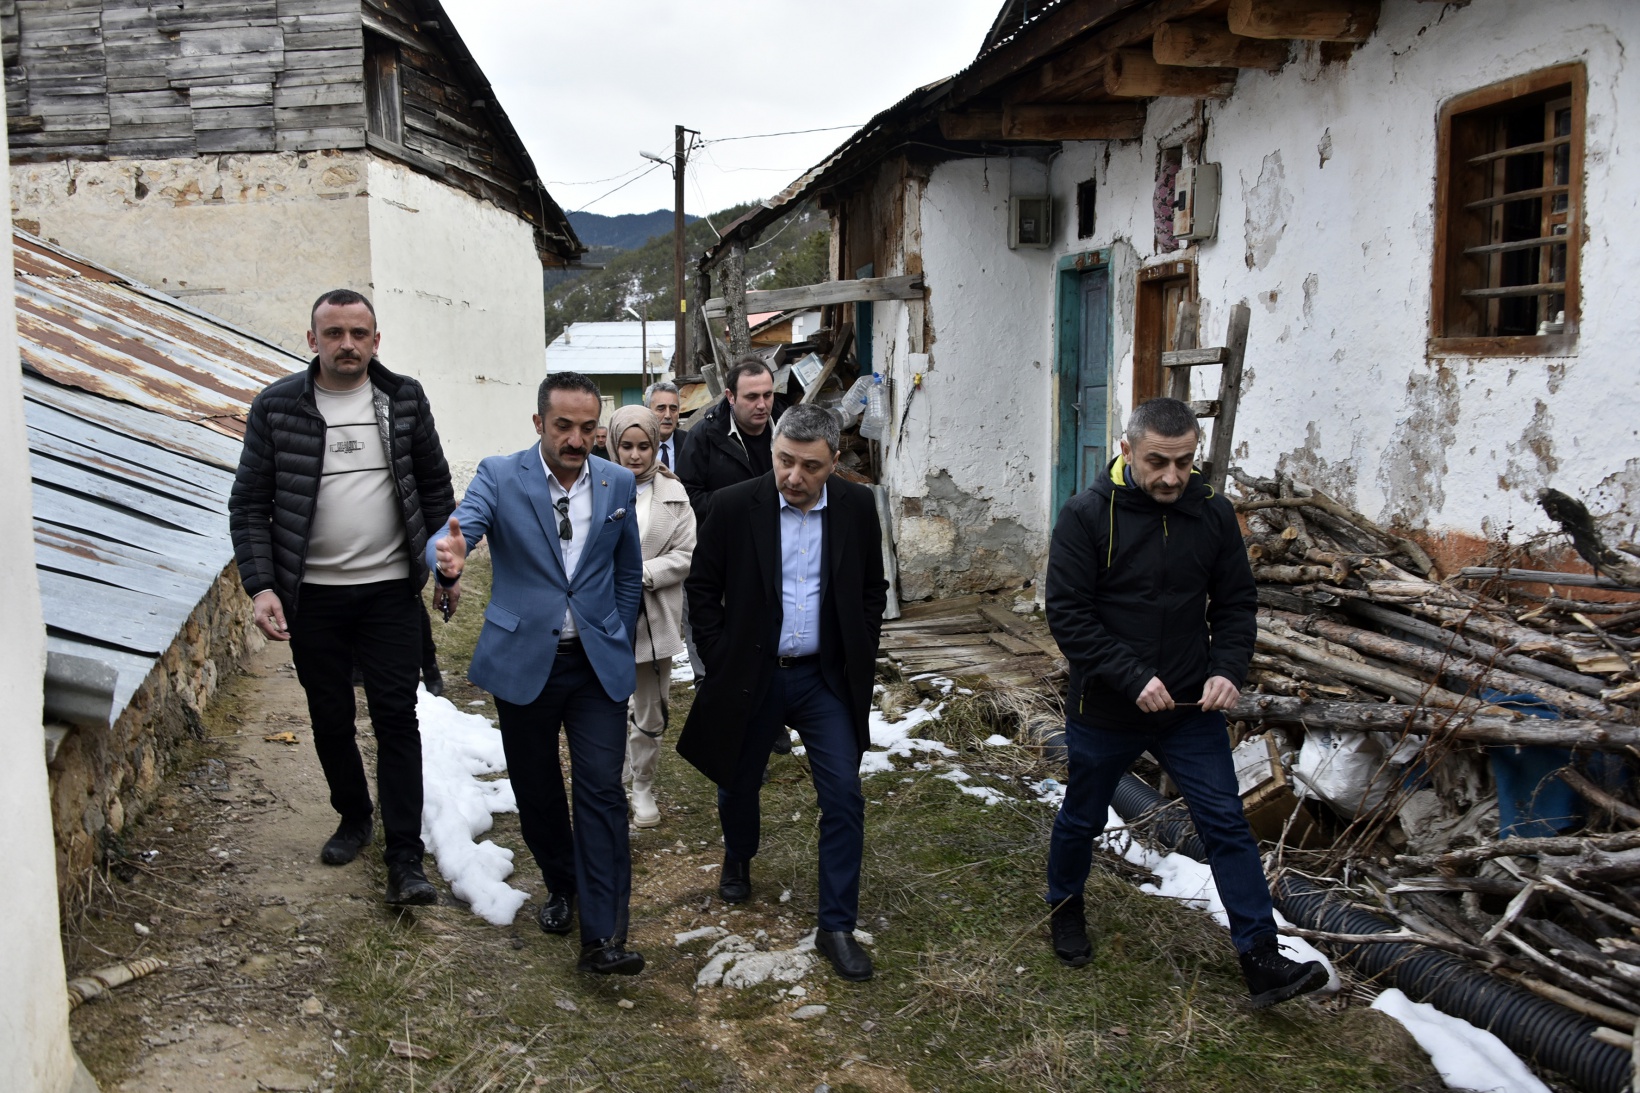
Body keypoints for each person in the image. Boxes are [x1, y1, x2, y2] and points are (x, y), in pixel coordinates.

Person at [1042, 396, 1327, 1008]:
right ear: (1127, 451)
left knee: (1226, 823)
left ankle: (1261, 958)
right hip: (1109, 708)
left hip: (1190, 709)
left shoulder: (1212, 513)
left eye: (1184, 462)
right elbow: (1068, 615)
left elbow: (1235, 604)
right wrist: (1128, 675)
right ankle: (1065, 906)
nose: (1172, 476)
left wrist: (1226, 668)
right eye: (1158, 462)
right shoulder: (1087, 515)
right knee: (1084, 817)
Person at [228, 288, 455, 906]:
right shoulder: (276, 407)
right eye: (334, 333)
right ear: (312, 341)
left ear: (376, 341)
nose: (347, 344)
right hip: (314, 598)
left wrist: (445, 564)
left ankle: (405, 858)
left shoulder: (403, 399)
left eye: (359, 333)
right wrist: (262, 585)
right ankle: (354, 816)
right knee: (330, 716)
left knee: (396, 719)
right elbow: (249, 503)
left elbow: (436, 489)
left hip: (388, 592)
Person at [428, 371, 646, 975]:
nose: (576, 439)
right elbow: (457, 532)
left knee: (601, 790)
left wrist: (616, 631)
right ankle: (563, 883)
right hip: (525, 662)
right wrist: (447, 563)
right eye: (563, 427)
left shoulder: (618, 481)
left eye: (587, 428)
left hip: (595, 666)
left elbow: (627, 572)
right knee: (538, 788)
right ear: (538, 424)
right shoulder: (501, 475)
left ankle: (604, 937)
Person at [677, 404, 887, 982]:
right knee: (737, 781)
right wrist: (720, 658)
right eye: (784, 461)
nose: (794, 477)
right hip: (752, 673)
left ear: (834, 462)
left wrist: (859, 645)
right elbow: (702, 589)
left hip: (824, 678)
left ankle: (836, 925)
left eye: (810, 467)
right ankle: (739, 853)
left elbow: (873, 588)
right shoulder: (730, 505)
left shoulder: (857, 507)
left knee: (843, 796)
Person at [608, 405, 695, 829]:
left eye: (644, 446)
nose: (635, 455)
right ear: (613, 445)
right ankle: (611, 782)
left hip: (654, 615)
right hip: (603, 616)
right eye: (627, 446)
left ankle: (642, 784)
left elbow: (685, 554)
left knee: (650, 708)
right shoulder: (595, 485)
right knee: (604, 704)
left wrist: (641, 573)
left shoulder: (674, 494)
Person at [677, 356, 780, 526]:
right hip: (727, 540)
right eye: (752, 397)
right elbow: (686, 497)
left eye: (767, 395)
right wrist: (739, 503)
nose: (762, 405)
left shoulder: (789, 430)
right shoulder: (704, 436)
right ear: (731, 396)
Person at [645, 381, 682, 471]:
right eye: (661, 408)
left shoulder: (690, 443)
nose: (668, 415)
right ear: (647, 410)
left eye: (673, 409)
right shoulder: (637, 444)